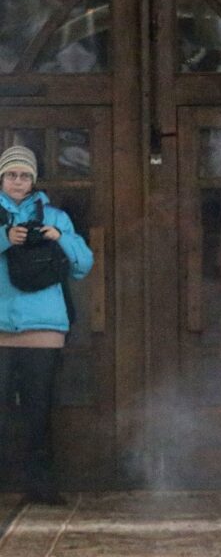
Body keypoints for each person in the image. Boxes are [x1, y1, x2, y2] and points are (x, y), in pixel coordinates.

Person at [0, 145, 93, 504]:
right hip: (2, 328)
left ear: (33, 179)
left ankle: (40, 487)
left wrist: (60, 236)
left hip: (45, 327)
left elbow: (84, 264)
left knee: (40, 412)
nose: (18, 181)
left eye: (24, 175)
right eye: (11, 174)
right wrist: (5, 239)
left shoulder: (54, 216)